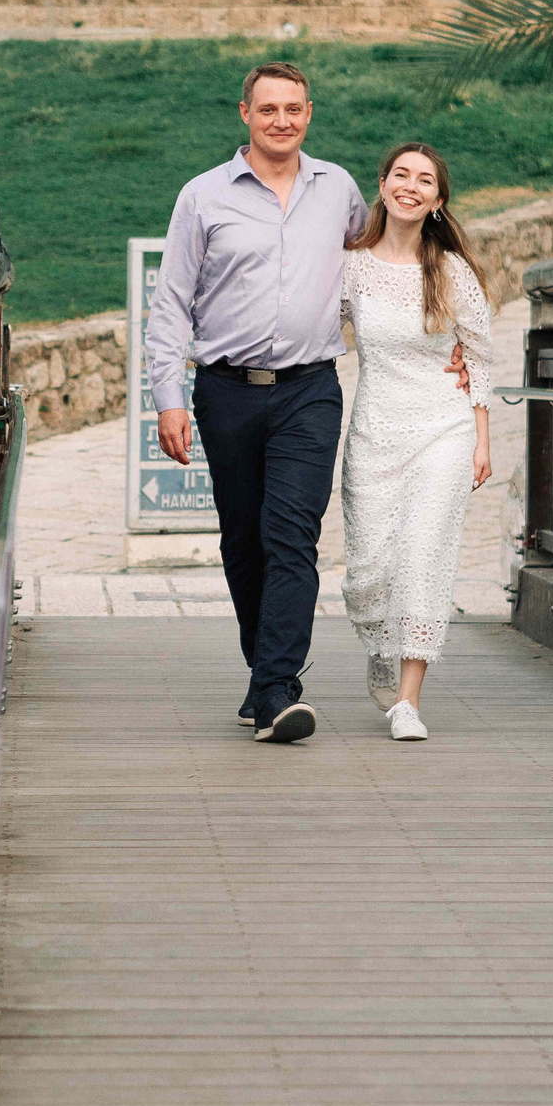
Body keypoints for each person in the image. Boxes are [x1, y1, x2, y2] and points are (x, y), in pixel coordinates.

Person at [146, 63, 370, 744]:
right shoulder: (202, 196)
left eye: (294, 108)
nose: (281, 120)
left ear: (310, 112)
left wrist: (439, 332)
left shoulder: (339, 191)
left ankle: (277, 689)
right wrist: (168, 398)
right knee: (244, 540)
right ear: (244, 112)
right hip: (225, 392)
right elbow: (171, 301)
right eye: (268, 108)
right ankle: (263, 673)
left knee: (291, 533)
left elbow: (377, 262)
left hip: (310, 388)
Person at [336, 143, 495, 741]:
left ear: (438, 200)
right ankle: (380, 644)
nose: (410, 185)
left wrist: (481, 439)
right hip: (375, 432)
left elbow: (477, 356)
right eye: (400, 174)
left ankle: (408, 700)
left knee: (424, 553)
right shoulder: (351, 265)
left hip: (443, 430)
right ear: (381, 186)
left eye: (424, 180)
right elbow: (316, 330)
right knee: (370, 569)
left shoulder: (452, 272)